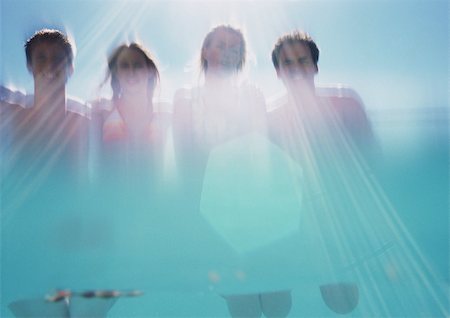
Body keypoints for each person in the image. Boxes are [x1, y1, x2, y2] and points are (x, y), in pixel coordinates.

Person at [268, 30, 394, 315]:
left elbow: (374, 159)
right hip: (295, 221)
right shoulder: (271, 118)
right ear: (278, 72)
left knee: (343, 304)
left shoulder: (345, 102)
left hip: (341, 216)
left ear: (315, 66)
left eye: (303, 60)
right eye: (288, 63)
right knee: (280, 307)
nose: (297, 68)